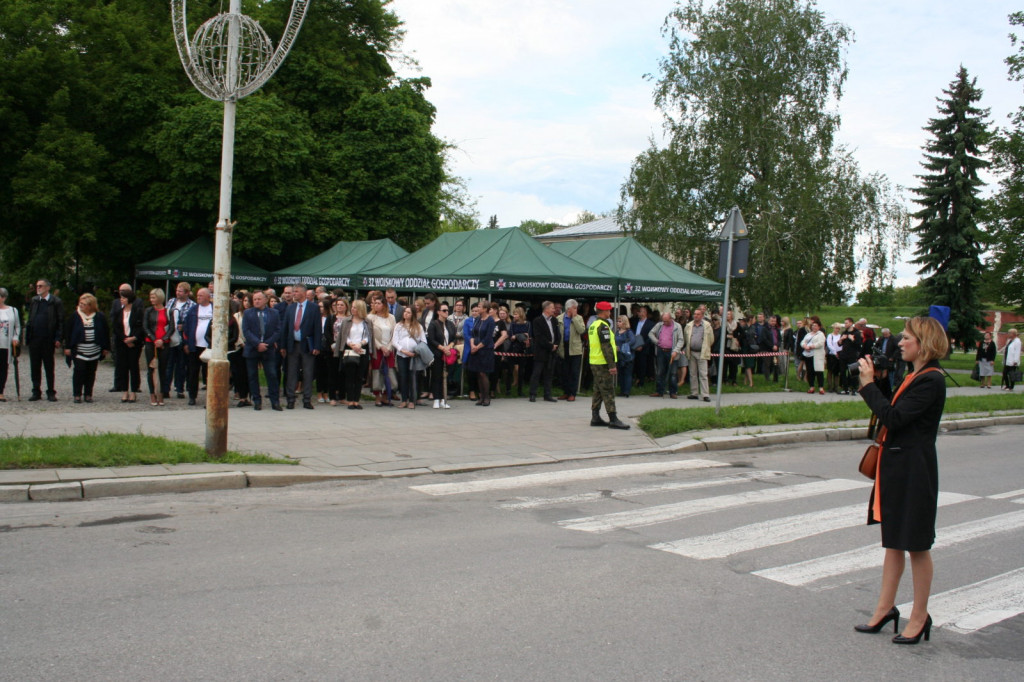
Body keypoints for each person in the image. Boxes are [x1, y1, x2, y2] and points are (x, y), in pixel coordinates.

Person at [854, 317, 948, 645]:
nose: (900, 342)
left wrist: (867, 386)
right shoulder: (914, 376)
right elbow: (895, 413)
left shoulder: (931, 380)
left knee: (917, 545)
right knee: (893, 540)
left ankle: (920, 615)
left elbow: (894, 418)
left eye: (906, 337)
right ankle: (885, 608)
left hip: (914, 472)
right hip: (896, 467)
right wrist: (876, 383)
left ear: (924, 343)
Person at [62, 293, 110, 403]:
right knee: (79, 371)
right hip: (79, 349)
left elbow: (105, 332)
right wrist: (68, 347)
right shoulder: (75, 316)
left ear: (90, 305)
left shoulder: (99, 316)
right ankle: (77, 394)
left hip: (94, 349)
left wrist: (105, 347)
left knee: (91, 372)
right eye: (80, 303)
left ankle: (88, 394)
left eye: (83, 304)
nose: (81, 306)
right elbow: (68, 332)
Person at [589, 301, 629, 429]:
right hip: (603, 363)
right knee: (608, 390)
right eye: (609, 311)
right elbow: (606, 347)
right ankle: (613, 418)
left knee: (598, 390)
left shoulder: (593, 325)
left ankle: (595, 417)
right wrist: (612, 365)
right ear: (604, 312)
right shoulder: (603, 326)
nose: (610, 313)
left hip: (595, 362)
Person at [241, 291, 282, 411]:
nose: (257, 301)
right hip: (252, 348)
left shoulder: (274, 313)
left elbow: (278, 330)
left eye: (259, 299)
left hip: (268, 349)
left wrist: (267, 343)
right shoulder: (248, 313)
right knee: (253, 376)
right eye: (255, 299)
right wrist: (257, 344)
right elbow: (246, 331)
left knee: (272, 375)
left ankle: (275, 401)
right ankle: (257, 401)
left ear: (265, 300)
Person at [283, 283, 322, 410]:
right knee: (291, 373)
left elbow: (317, 328)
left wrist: (317, 346)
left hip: (307, 345)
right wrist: (283, 346)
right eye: (293, 291)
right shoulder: (290, 308)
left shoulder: (313, 308)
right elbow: (285, 327)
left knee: (308, 373)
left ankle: (307, 399)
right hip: (293, 345)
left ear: (304, 293)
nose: (294, 294)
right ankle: (290, 399)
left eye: (297, 291)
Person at [25, 279, 64, 402]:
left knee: (49, 366)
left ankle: (51, 391)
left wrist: (58, 337)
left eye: (40, 286)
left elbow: (60, 321)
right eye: (37, 286)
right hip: (35, 338)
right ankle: (36, 390)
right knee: (35, 366)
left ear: (48, 288)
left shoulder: (55, 302)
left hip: (48, 339)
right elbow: (30, 318)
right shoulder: (35, 301)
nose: (38, 288)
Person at [337, 299, 373, 410]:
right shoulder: (347, 321)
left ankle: (356, 400)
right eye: (352, 307)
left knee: (359, 377)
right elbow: (344, 335)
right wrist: (352, 344)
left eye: (355, 307)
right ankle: (350, 400)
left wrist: (360, 344)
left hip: (362, 350)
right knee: (350, 376)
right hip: (350, 350)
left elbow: (369, 336)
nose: (352, 309)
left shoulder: (367, 322)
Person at [182, 287, 213, 406]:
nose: (198, 297)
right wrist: (186, 342)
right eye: (198, 295)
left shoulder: (213, 309)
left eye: (201, 295)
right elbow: (186, 327)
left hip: (209, 347)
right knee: (193, 372)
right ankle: (192, 396)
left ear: (207, 296)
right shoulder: (193, 310)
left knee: (209, 374)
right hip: (195, 346)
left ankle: (209, 398)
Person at [113, 287, 144, 403]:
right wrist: (124, 339)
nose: (121, 300)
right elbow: (116, 327)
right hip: (122, 343)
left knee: (133, 366)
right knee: (123, 367)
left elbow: (140, 327)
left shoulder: (137, 311)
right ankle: (124, 390)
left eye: (123, 298)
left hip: (134, 343)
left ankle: (134, 391)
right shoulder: (118, 312)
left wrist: (133, 338)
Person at [143, 288, 173, 407]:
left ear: (159, 298)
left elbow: (172, 327)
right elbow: (145, 327)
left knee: (163, 369)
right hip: (151, 342)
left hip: (164, 343)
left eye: (153, 297)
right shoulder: (148, 311)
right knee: (151, 368)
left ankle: (161, 394)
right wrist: (154, 339)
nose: (151, 299)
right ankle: (152, 394)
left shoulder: (168, 311)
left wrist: (163, 339)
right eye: (150, 297)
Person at [394, 306, 427, 409]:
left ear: (412, 314)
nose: (406, 314)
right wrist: (403, 350)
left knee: (413, 377)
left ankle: (412, 400)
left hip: (414, 355)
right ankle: (404, 399)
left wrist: (416, 351)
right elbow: (394, 341)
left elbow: (423, 341)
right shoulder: (399, 326)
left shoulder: (418, 326)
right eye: (405, 312)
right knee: (403, 377)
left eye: (408, 312)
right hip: (402, 355)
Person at [648, 311, 684, 398]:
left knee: (673, 373)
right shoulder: (659, 325)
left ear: (671, 319)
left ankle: (673, 392)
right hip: (661, 351)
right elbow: (650, 333)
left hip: (672, 352)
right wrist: (657, 341)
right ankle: (659, 391)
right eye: (663, 321)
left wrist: (676, 350)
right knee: (660, 372)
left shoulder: (677, 326)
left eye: (666, 321)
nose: (665, 323)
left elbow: (681, 340)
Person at [428, 301, 457, 409]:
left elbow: (453, 338)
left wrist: (449, 347)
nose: (446, 312)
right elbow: (431, 339)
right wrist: (442, 348)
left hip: (448, 353)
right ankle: (436, 398)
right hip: (437, 353)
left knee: (446, 376)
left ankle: (443, 399)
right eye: (444, 310)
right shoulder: (434, 324)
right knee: (437, 376)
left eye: (447, 310)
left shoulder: (450, 324)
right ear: (438, 312)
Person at [529, 301, 560, 402]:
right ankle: (533, 394)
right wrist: (550, 346)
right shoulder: (537, 321)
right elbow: (539, 337)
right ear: (546, 309)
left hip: (552, 352)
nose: (554, 310)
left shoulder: (555, 320)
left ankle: (547, 394)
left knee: (549, 374)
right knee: (537, 373)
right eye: (552, 308)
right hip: (541, 351)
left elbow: (558, 335)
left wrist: (556, 344)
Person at [556, 299, 586, 401]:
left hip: (575, 348)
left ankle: (572, 393)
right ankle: (566, 392)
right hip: (563, 347)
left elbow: (581, 330)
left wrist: (574, 318)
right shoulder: (559, 318)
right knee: (564, 372)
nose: (576, 309)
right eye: (574, 308)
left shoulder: (579, 318)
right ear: (569, 308)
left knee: (574, 372)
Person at [468, 301, 497, 406]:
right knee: (478, 373)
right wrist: (472, 345)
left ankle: (486, 397)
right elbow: (472, 334)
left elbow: (488, 337)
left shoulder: (490, 321)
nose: (478, 308)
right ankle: (481, 397)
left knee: (483, 373)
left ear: (485, 309)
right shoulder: (477, 319)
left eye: (479, 307)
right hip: (475, 348)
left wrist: (478, 347)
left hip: (485, 350)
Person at [684, 308, 714, 402]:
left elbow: (711, 339)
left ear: (702, 315)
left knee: (703, 374)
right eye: (695, 314)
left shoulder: (707, 325)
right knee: (692, 373)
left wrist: (705, 348)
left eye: (698, 314)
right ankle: (694, 393)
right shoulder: (689, 325)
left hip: (702, 352)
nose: (695, 316)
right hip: (691, 352)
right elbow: (686, 338)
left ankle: (705, 394)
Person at [0, 287, 21, 402]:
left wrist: (15, 337)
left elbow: (17, 326)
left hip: (6, 344)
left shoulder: (13, 310)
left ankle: (0, 392)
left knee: (3, 368)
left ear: (3, 298)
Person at [509, 305, 532, 397]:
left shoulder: (528, 324)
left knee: (521, 371)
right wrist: (521, 335)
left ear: (521, 314)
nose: (514, 316)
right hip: (513, 348)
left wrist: (517, 335)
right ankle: (508, 390)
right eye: (514, 314)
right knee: (511, 369)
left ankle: (520, 390)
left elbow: (529, 336)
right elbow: (511, 336)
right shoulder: (512, 324)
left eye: (516, 314)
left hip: (523, 349)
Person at [801, 321, 826, 394]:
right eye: (813, 326)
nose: (814, 327)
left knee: (819, 371)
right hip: (808, 355)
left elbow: (820, 343)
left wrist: (812, 346)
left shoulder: (820, 334)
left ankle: (821, 388)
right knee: (810, 372)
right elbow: (802, 342)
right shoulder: (808, 334)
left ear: (819, 327)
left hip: (816, 355)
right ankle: (811, 387)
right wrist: (805, 346)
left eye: (816, 326)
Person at [614, 315, 635, 398]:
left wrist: (624, 346)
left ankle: (627, 391)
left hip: (627, 355)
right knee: (621, 373)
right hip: (619, 355)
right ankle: (622, 390)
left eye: (620, 321)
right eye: (617, 321)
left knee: (627, 373)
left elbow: (633, 340)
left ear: (624, 322)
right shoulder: (617, 332)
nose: (618, 323)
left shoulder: (628, 332)